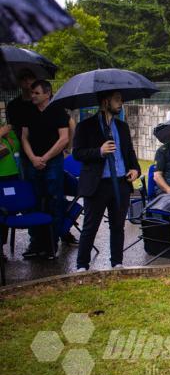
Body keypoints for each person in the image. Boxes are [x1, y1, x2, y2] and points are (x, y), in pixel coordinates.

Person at [73, 91, 141, 271]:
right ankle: (82, 266)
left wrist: (135, 169)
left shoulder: (122, 126)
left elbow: (130, 154)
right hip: (97, 184)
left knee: (118, 226)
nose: (121, 103)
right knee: (90, 226)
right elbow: (77, 153)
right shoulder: (86, 126)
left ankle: (117, 263)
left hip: (120, 183)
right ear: (105, 102)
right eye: (117, 99)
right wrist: (99, 151)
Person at [20, 80, 70, 259]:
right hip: (33, 162)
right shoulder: (28, 111)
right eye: (32, 93)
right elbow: (24, 137)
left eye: (36, 93)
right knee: (34, 201)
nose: (33, 95)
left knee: (54, 200)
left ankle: (51, 243)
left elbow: (64, 138)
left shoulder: (57, 111)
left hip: (53, 163)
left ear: (47, 94)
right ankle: (35, 243)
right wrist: (33, 158)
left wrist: (46, 158)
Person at [6, 69, 36, 141]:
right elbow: (11, 126)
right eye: (23, 78)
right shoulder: (12, 105)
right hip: (19, 142)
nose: (27, 80)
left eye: (30, 77)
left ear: (35, 80)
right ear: (18, 82)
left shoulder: (43, 102)